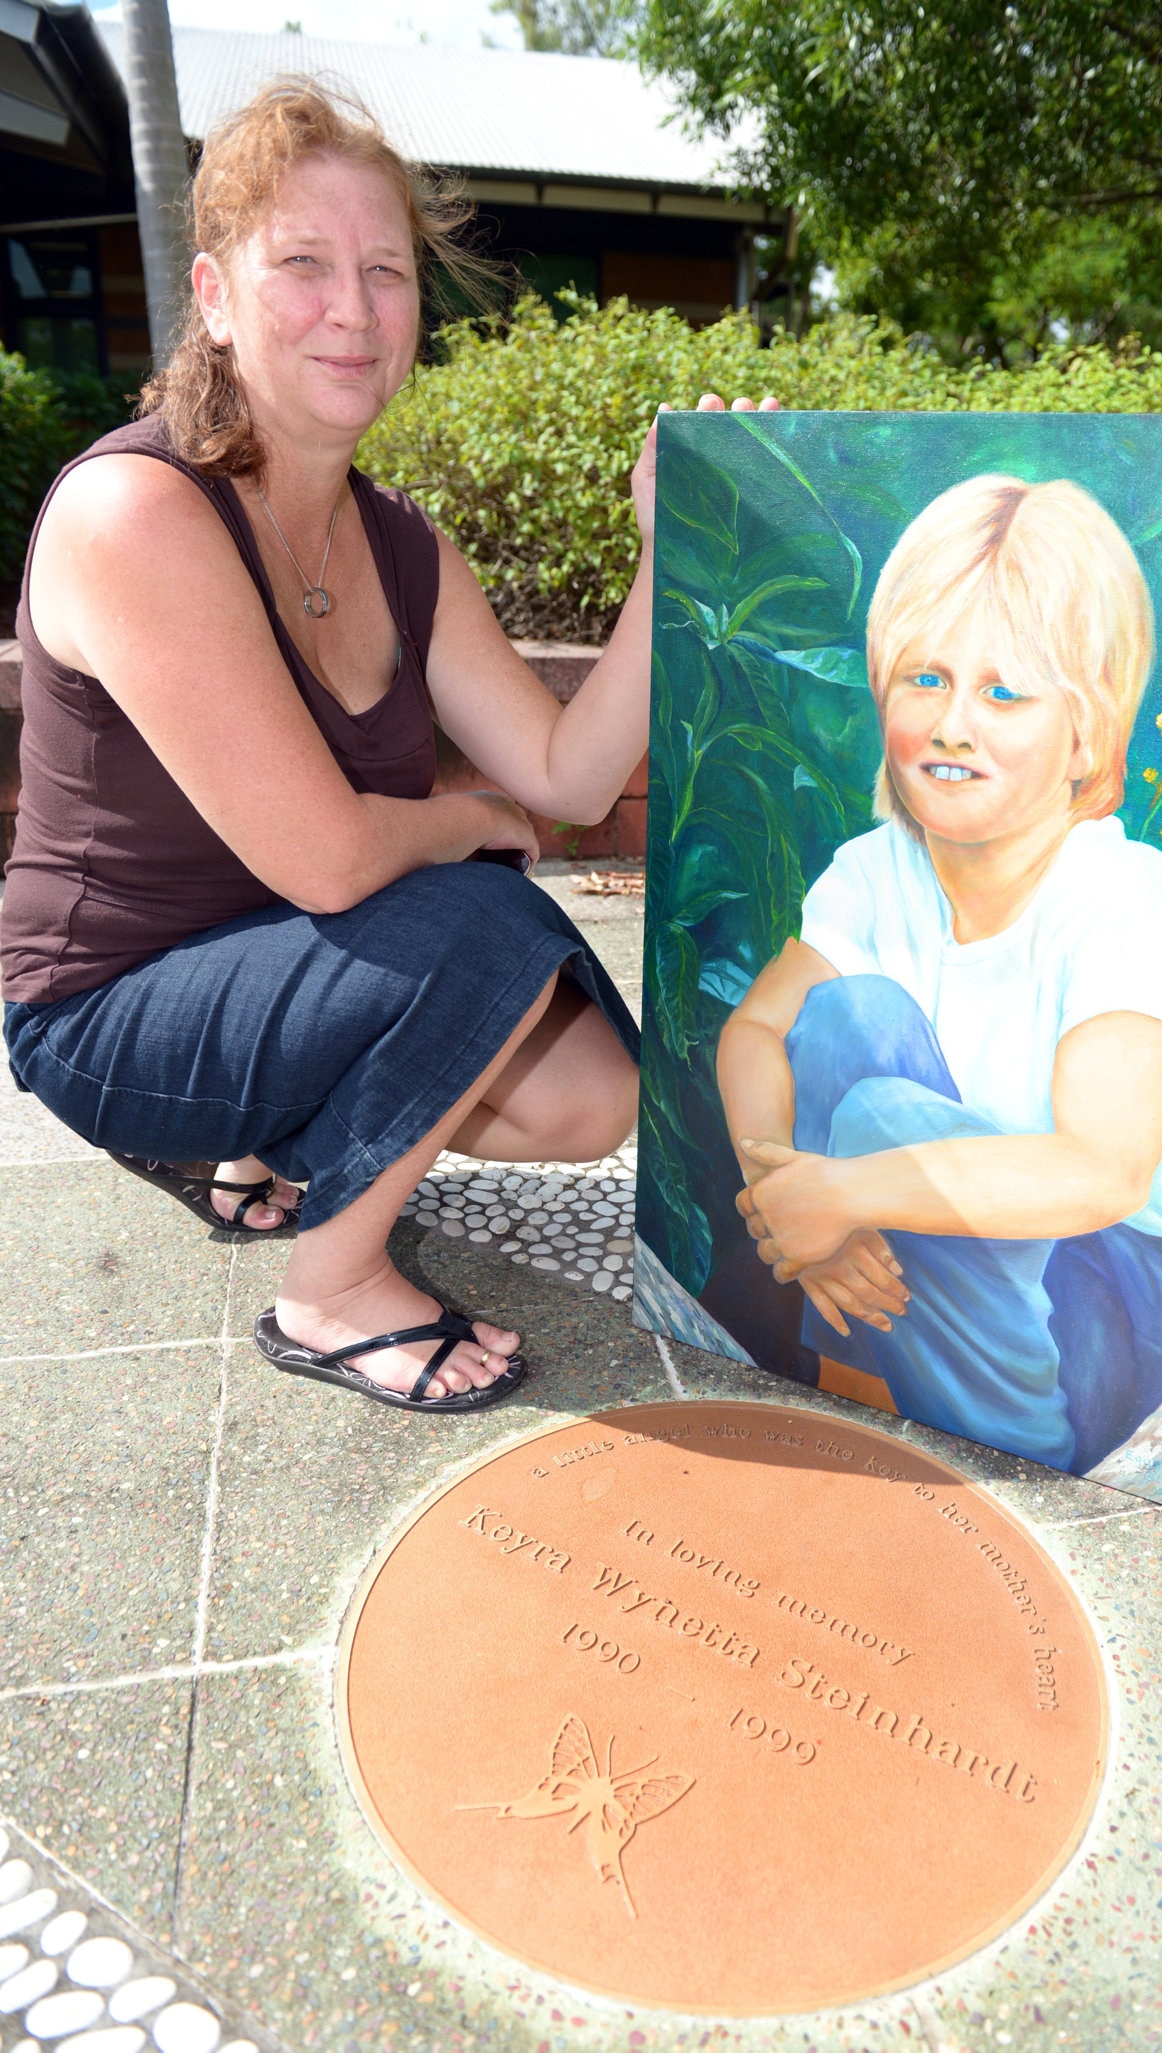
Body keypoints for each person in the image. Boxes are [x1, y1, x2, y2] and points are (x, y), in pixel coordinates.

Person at [0, 79, 774, 1413]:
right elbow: (328, 857)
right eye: (302, 265)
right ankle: (332, 1286)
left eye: (384, 271)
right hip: (103, 1012)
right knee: (481, 915)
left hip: (271, 973)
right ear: (219, 296)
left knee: (590, 1094)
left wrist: (674, 544)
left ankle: (252, 1141)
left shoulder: (405, 547)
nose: (354, 310)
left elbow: (571, 777)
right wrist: (461, 823)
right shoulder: (137, 514)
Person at [714, 474, 1162, 1473]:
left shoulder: (1126, 904)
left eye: (1003, 692)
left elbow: (1102, 1169)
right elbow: (753, 1031)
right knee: (842, 1025)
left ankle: (1012, 1446)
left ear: (1085, 729)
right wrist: (788, 1197)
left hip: (1123, 1311)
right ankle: (865, 1396)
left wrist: (839, 1190)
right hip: (937, 1282)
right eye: (925, 678)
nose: (952, 723)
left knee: (872, 1113)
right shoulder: (878, 872)